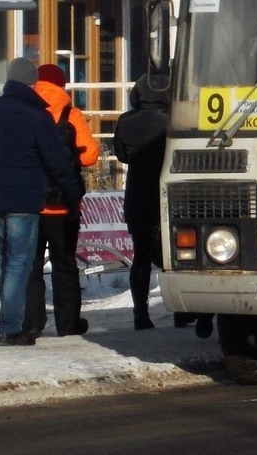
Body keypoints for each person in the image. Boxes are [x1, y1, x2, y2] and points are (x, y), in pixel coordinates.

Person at [0, 57, 84, 347]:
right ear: (31, 83)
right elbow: (58, 162)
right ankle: (10, 328)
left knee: (6, 259)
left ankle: (10, 322)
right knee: (18, 264)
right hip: (24, 200)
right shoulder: (36, 116)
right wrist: (73, 193)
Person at [22, 63, 100, 338]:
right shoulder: (71, 114)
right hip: (63, 203)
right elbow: (90, 155)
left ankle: (32, 323)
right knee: (64, 263)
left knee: (30, 265)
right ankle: (68, 325)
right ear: (62, 86)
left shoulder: (26, 113)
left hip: (29, 202)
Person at [113, 74, 170, 330]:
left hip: (137, 193)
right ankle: (183, 313)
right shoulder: (173, 121)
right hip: (169, 194)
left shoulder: (125, 121)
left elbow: (121, 155)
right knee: (176, 257)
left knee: (141, 256)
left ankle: (140, 313)